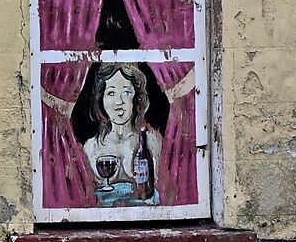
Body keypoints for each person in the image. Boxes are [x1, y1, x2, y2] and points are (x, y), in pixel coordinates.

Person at [41, 61, 191, 207]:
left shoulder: (151, 141)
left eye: (126, 92)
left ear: (136, 98)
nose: (119, 102)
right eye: (111, 93)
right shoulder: (91, 147)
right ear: (101, 99)